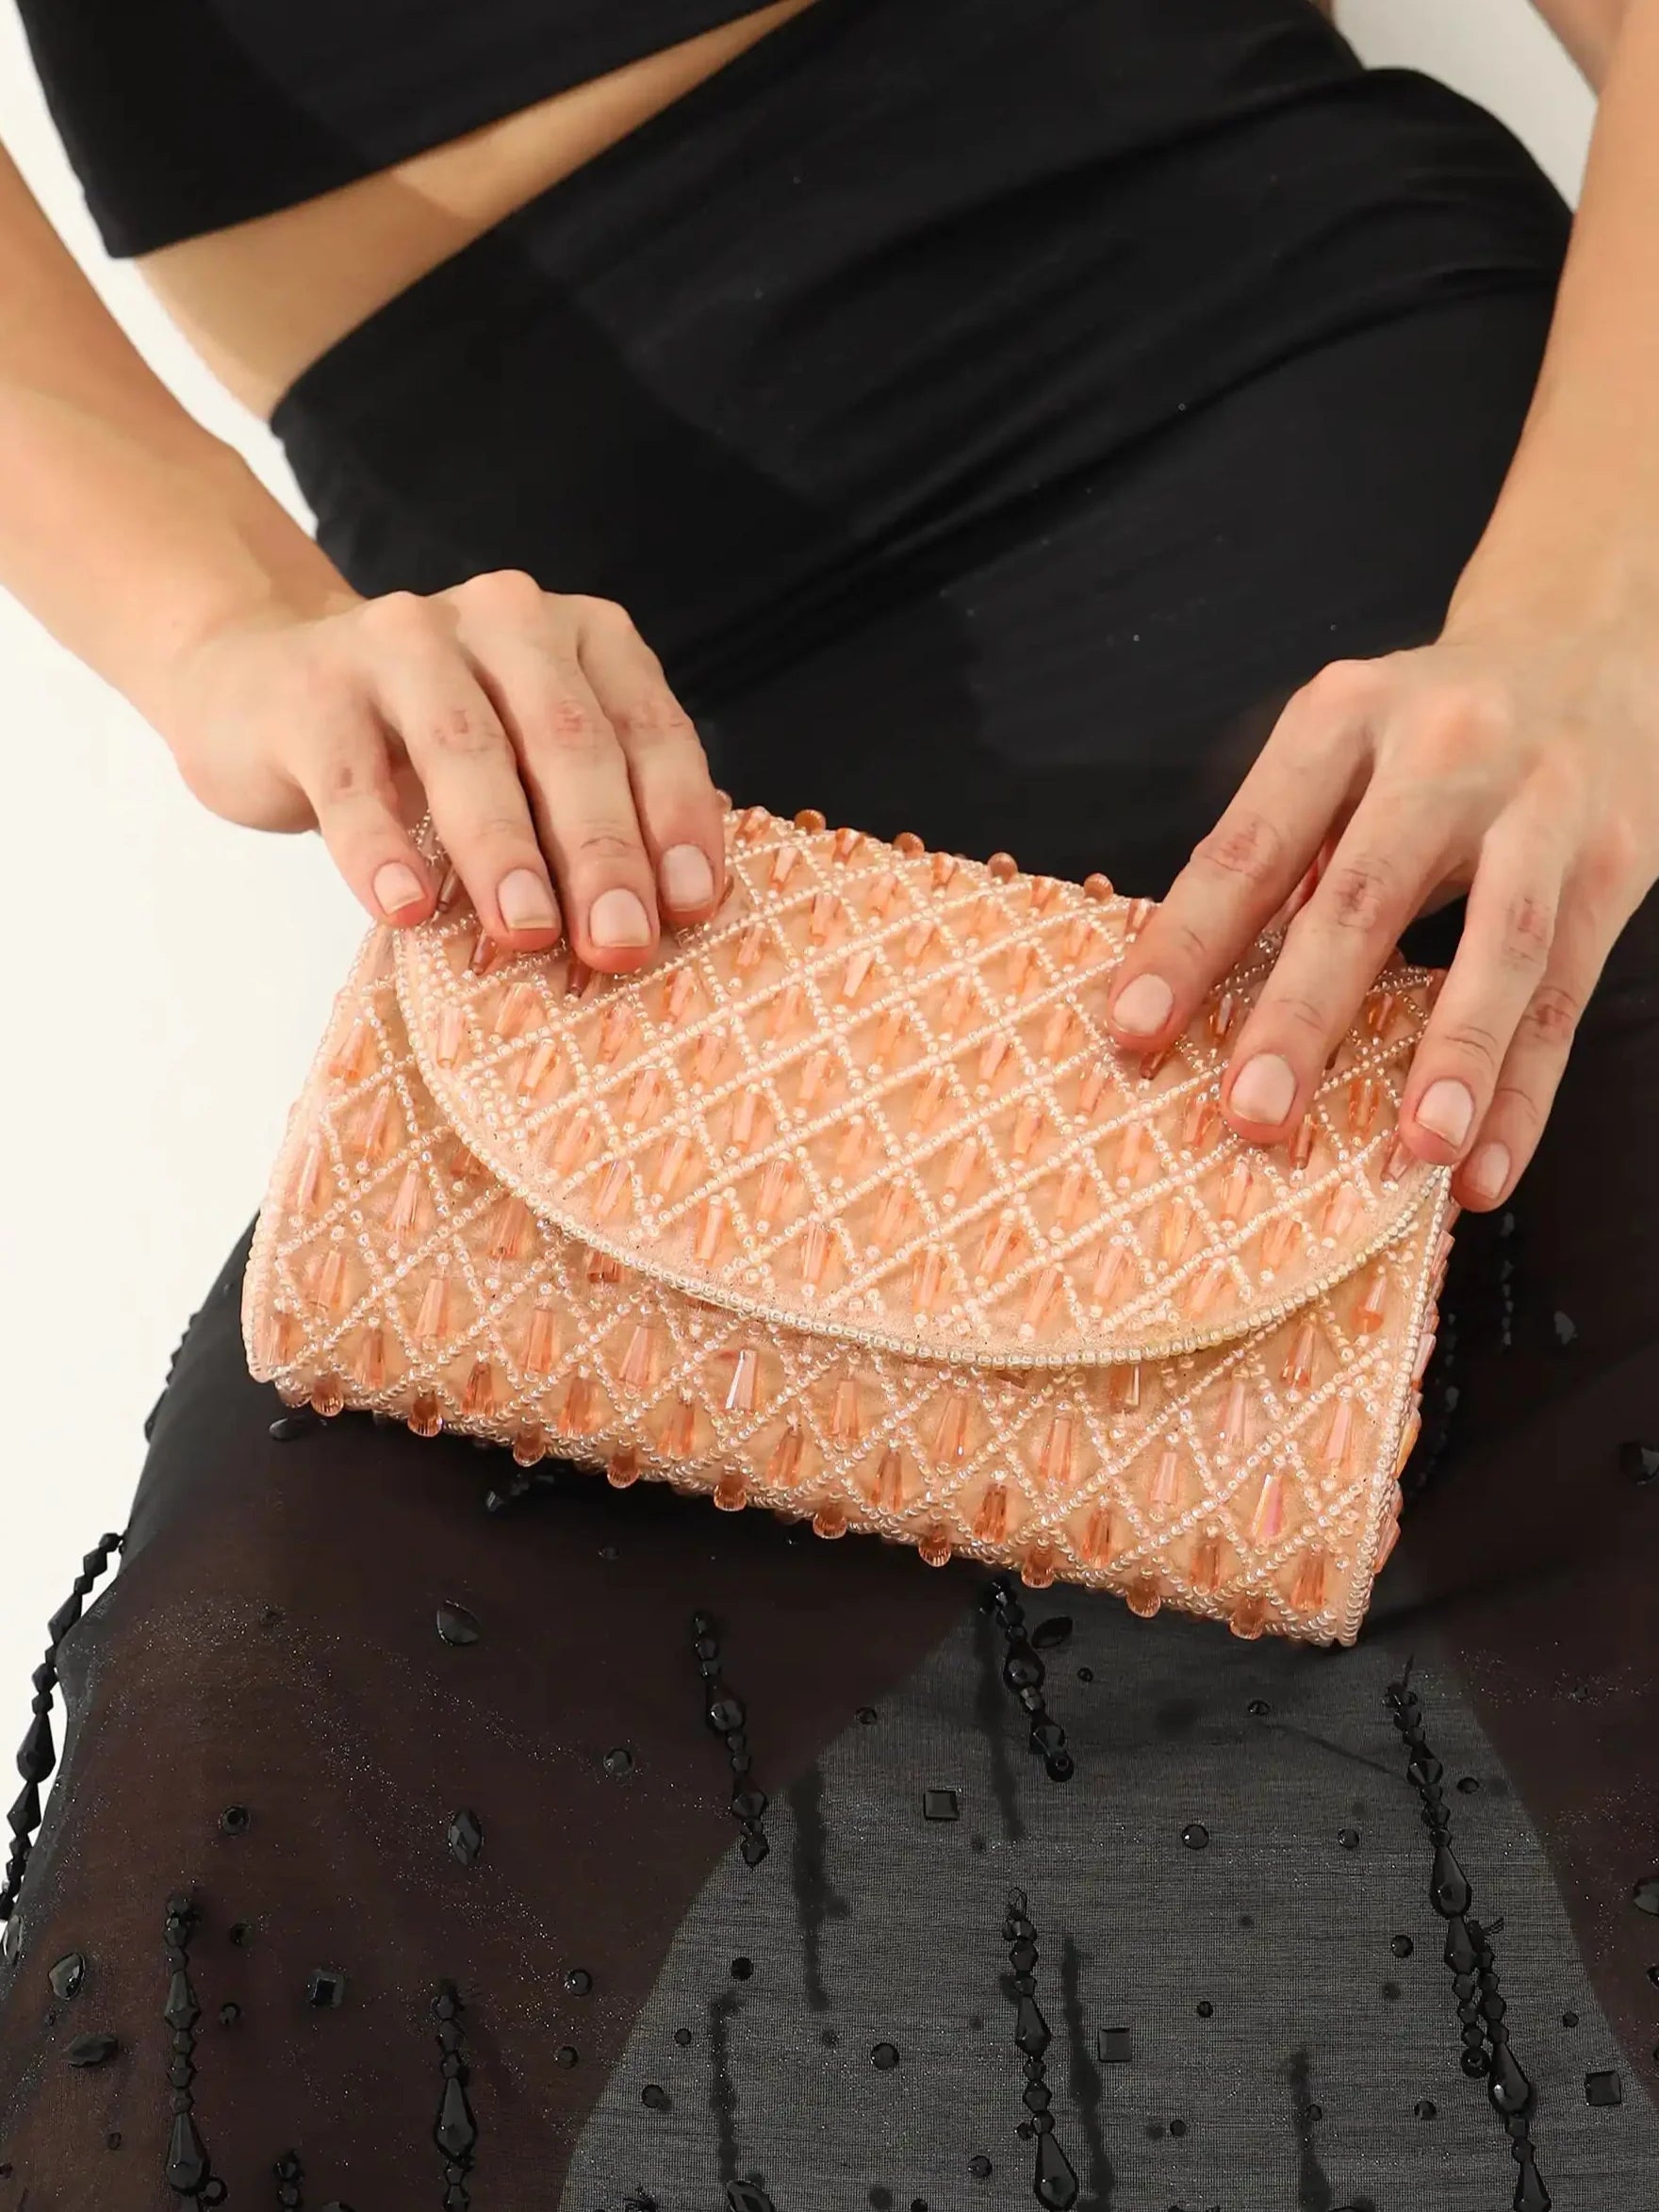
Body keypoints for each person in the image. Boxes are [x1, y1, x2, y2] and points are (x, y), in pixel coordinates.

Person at [2, 0, 1657, 2203]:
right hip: (621, 813)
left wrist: (1592, 623)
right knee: (261, 1883)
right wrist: (216, 617)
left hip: (1389, 623)